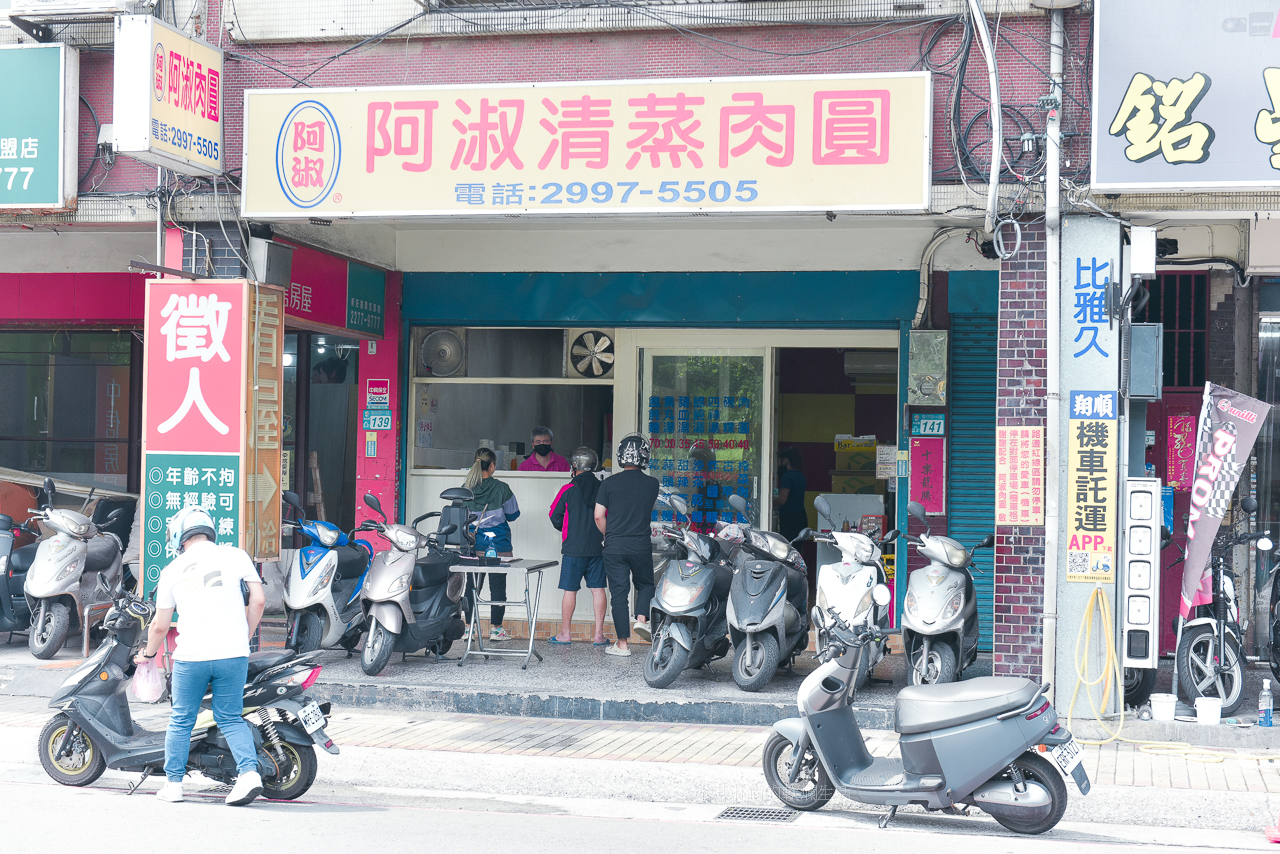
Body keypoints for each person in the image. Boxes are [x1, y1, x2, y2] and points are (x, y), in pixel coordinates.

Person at [133, 506, 267, 806]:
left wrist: (147, 654)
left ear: (180, 536)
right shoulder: (235, 555)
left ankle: (174, 786)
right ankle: (248, 774)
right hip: (233, 654)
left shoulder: (172, 570)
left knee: (181, 720)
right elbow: (258, 600)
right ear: (210, 530)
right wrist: (243, 637)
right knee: (230, 717)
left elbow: (159, 625)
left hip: (191, 657)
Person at [594, 434, 660, 657]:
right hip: (640, 544)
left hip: (614, 546)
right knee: (645, 584)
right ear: (644, 455)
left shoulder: (609, 483)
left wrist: (608, 535)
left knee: (619, 594)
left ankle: (622, 645)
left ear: (621, 455)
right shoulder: (652, 484)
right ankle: (641, 619)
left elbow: (598, 516)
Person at [548, 447, 608, 645]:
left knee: (569, 590)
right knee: (598, 589)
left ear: (574, 465)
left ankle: (565, 634)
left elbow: (554, 516)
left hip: (573, 549)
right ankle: (598, 635)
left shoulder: (568, 489)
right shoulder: (603, 488)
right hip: (598, 548)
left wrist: (569, 530)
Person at [461, 447, 520, 642]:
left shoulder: (466, 488)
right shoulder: (502, 488)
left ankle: (469, 628)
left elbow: (461, 517)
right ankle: (496, 629)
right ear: (492, 465)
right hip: (499, 545)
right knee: (497, 587)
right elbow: (513, 514)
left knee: (472, 586)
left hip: (474, 545)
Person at [774, 446, 808, 542]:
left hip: (790, 520)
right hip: (801, 517)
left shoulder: (787, 477)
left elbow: (782, 500)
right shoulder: (800, 476)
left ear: (785, 460)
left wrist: (766, 505)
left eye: (779, 461)